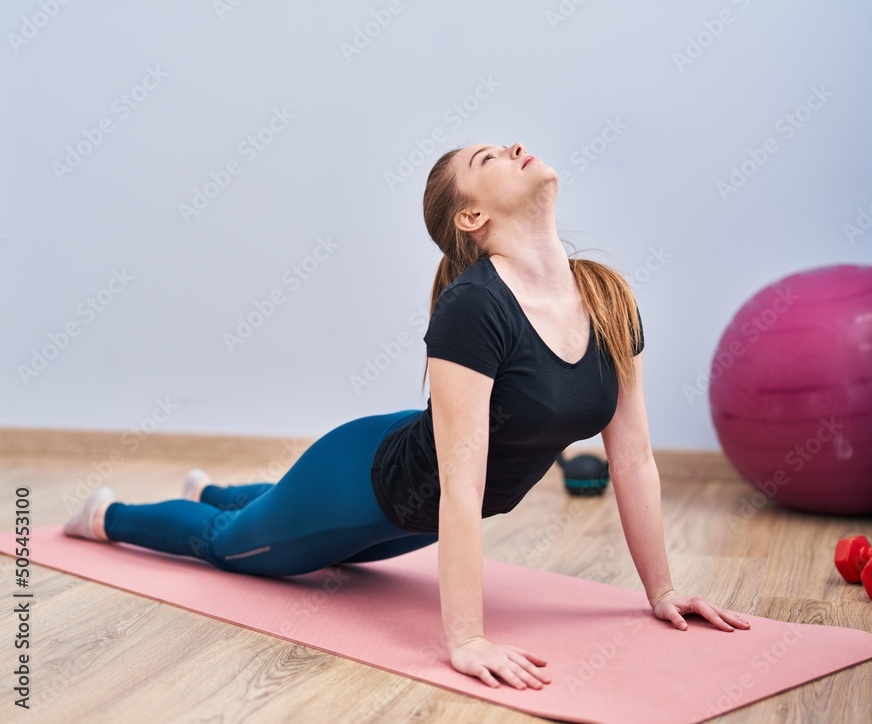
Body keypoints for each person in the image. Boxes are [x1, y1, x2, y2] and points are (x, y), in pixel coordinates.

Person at [64, 141, 750, 691]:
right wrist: (466, 639)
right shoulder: (476, 307)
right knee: (228, 546)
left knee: (316, 548)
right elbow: (461, 481)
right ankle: (105, 516)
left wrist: (663, 592)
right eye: (487, 160)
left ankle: (213, 487)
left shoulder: (608, 297)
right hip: (363, 482)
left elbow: (632, 458)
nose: (514, 146)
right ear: (471, 218)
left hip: (413, 504)